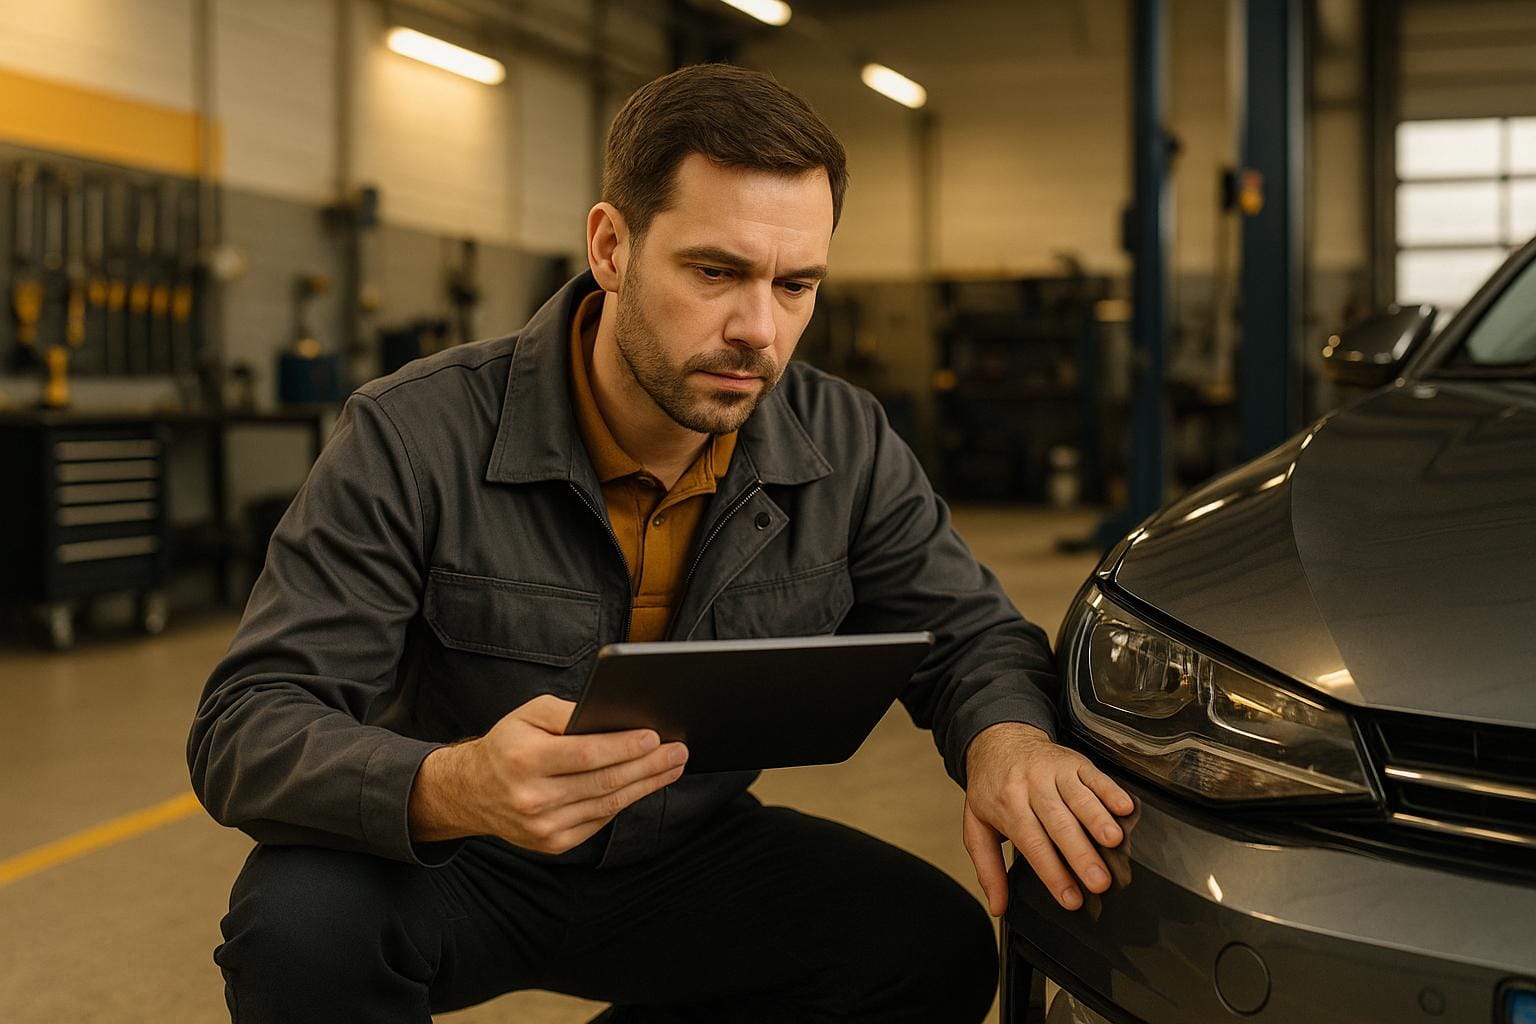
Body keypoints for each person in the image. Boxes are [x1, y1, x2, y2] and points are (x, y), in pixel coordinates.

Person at [188, 63, 1132, 1024]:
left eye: (795, 284)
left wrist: (1008, 741)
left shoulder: (842, 442)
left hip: (682, 856)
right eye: (715, 272)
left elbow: (971, 634)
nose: (757, 330)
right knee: (299, 929)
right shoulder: (411, 435)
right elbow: (247, 723)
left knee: (924, 948)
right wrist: (452, 783)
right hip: (464, 857)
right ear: (611, 246)